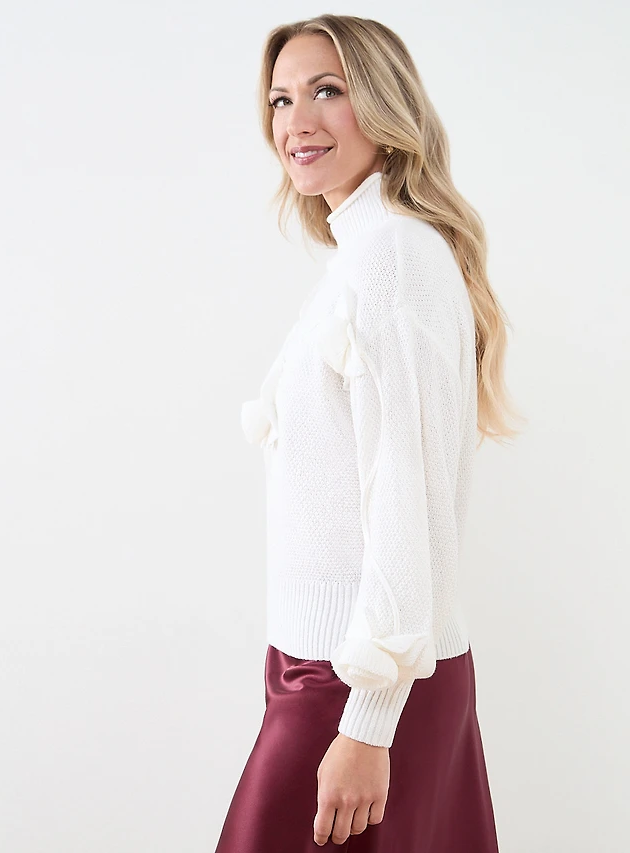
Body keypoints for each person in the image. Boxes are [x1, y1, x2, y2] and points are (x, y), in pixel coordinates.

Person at [215, 13, 525, 852]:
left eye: (327, 90)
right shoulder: (363, 255)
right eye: (280, 99)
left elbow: (409, 502)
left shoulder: (393, 257)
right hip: (330, 674)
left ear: (385, 107)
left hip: (361, 688)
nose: (296, 121)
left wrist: (368, 719)